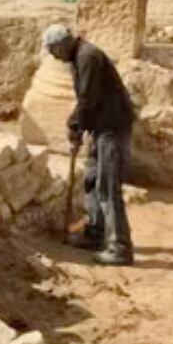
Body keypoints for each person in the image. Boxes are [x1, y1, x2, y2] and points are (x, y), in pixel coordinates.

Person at [46, 24, 136, 266]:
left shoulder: (88, 57)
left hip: (112, 128)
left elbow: (87, 98)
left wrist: (75, 126)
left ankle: (120, 247)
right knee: (92, 180)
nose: (53, 57)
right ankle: (95, 233)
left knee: (107, 187)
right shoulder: (79, 56)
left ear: (62, 45)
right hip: (101, 128)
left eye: (53, 51)